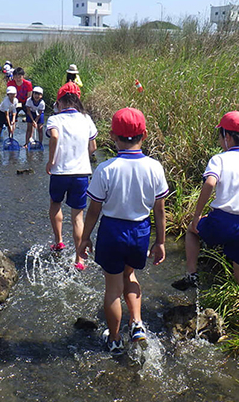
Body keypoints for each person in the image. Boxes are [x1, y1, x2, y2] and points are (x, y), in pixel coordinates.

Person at [78, 107, 168, 356]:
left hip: (112, 230)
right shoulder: (155, 167)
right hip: (140, 230)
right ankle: (137, 323)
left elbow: (94, 210)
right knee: (130, 276)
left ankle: (115, 339)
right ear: (145, 135)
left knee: (112, 289)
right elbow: (159, 211)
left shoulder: (105, 169)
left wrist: (85, 238)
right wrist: (160, 242)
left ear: (113, 136)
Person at [172, 111, 239, 324]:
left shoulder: (219, 159)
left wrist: (195, 217)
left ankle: (192, 274)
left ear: (227, 136)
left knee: (192, 231)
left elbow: (210, 183)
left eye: (220, 135)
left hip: (221, 221)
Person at [45, 82, 97, 259]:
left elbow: (54, 136)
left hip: (60, 172)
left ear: (59, 102)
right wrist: (82, 157)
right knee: (77, 217)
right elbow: (93, 146)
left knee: (55, 204)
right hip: (81, 173)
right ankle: (79, 258)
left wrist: (51, 161)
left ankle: (59, 241)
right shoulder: (86, 119)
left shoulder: (54, 119)